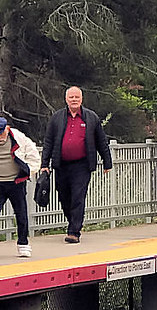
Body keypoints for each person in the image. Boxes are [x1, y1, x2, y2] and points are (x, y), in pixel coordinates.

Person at [41, 86, 113, 243]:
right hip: (61, 165)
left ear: (81, 99)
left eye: (77, 97)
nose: (74, 100)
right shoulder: (57, 117)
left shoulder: (91, 117)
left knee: (78, 197)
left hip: (82, 165)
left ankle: (74, 231)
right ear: (66, 99)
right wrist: (44, 163)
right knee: (64, 197)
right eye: (71, 97)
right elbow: (48, 141)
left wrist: (107, 162)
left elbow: (101, 141)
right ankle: (72, 221)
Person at [0, 117, 41, 257]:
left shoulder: (18, 137)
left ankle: (23, 244)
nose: (0, 138)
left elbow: (33, 154)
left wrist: (29, 170)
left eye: (1, 134)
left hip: (16, 182)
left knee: (21, 214)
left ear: (7, 129)